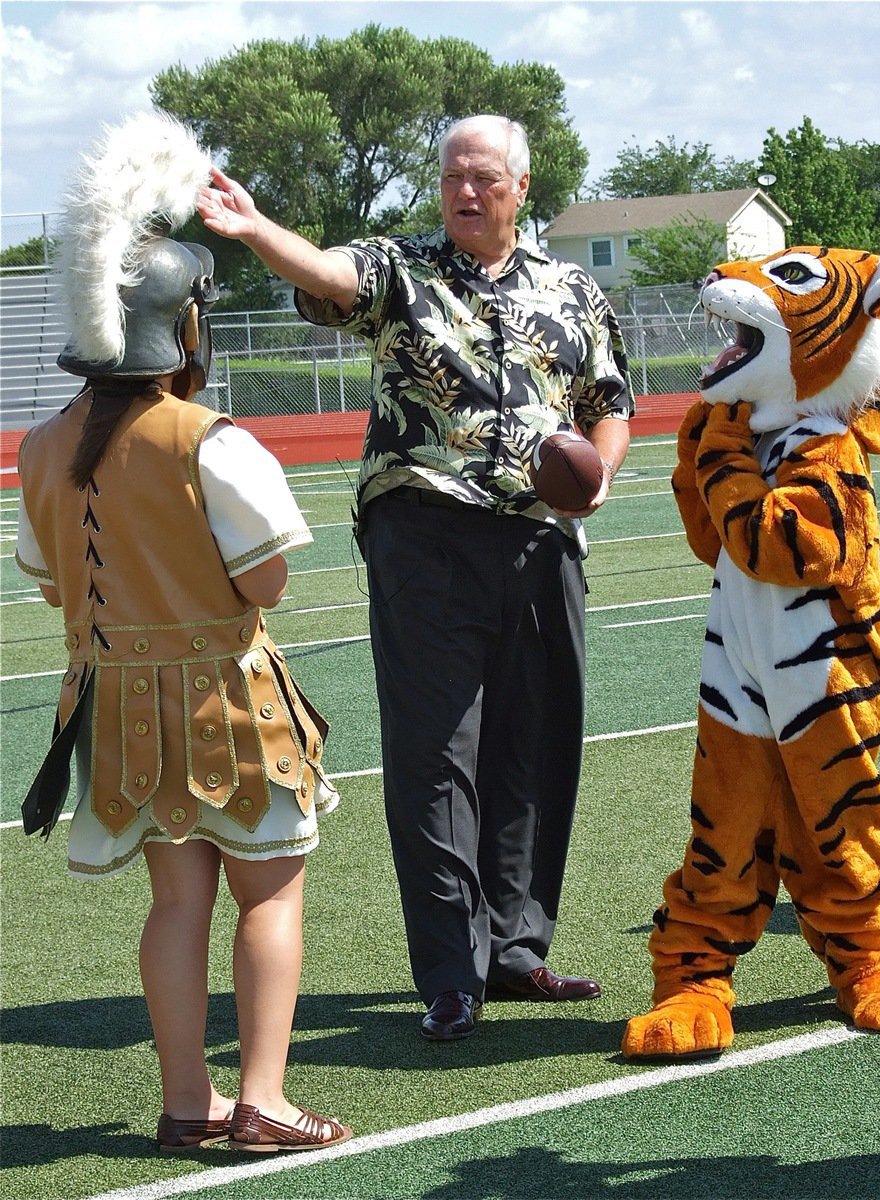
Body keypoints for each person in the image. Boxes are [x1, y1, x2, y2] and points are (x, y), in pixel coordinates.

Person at [198, 113, 634, 1040]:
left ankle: (517, 950)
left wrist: (597, 478)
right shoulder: (403, 267)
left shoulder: (573, 288)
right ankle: (450, 970)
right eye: (450, 177)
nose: (464, 192)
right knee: (438, 756)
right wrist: (254, 227)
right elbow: (328, 275)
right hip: (424, 537)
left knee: (535, 745)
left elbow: (609, 405)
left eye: (482, 178)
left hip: (540, 543)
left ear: (521, 187)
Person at [16, 113, 351, 1152]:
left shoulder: (37, 446)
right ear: (185, 327)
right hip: (226, 699)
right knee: (269, 896)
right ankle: (263, 1097)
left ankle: (185, 1102)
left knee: (174, 905)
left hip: (112, 701)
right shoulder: (211, 440)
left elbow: (47, 586)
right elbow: (271, 580)